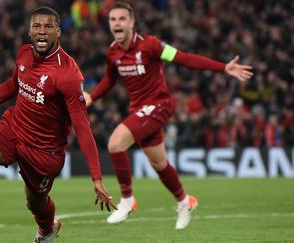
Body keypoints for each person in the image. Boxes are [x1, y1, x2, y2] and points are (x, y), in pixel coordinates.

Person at [0, 6, 116, 243]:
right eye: (36, 26)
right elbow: (13, 85)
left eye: (48, 26)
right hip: (13, 127)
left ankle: (48, 229)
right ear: (30, 30)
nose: (42, 31)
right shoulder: (24, 53)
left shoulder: (67, 74)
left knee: (35, 202)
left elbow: (82, 127)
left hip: (44, 149)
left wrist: (96, 178)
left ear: (58, 32)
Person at [83, 2, 253, 229]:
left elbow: (183, 58)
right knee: (159, 162)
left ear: (132, 23)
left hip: (159, 105)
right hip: (139, 110)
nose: (117, 23)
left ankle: (127, 200)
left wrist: (223, 68)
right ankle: (185, 201)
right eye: (113, 19)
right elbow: (110, 79)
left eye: (122, 19)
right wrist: (92, 98)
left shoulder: (151, 45)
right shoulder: (113, 51)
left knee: (115, 144)